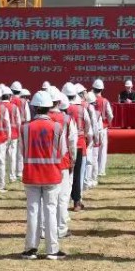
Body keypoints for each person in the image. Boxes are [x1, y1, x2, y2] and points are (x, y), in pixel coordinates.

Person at [20, 90, 68, 260]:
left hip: (31, 174)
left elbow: (22, 151)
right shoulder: (57, 127)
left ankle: (30, 248)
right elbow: (62, 151)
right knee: (51, 211)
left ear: (34, 107)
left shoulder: (25, 127)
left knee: (33, 211)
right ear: (49, 107)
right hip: (52, 175)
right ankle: (52, 250)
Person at [48, 91, 77, 237]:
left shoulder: (39, 120)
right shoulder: (66, 119)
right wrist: (73, 159)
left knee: (45, 199)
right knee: (62, 197)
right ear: (59, 103)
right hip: (63, 162)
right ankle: (61, 229)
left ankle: (44, 229)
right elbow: (72, 142)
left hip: (46, 163)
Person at [64, 82, 92, 212]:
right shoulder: (81, 109)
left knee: (65, 173)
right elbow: (88, 127)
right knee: (77, 174)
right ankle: (76, 202)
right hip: (79, 144)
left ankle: (64, 201)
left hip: (63, 146)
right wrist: (88, 140)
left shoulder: (61, 110)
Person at [92, 79, 113, 177]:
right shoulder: (105, 101)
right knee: (102, 150)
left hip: (91, 128)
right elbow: (110, 115)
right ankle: (101, 171)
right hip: (102, 128)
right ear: (102, 89)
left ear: (93, 88)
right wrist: (107, 123)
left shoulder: (89, 100)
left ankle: (92, 170)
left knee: (93, 150)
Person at [10, 81, 31, 181]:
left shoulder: (9, 101)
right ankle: (19, 172)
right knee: (21, 152)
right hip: (22, 128)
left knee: (12, 153)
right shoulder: (24, 102)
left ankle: (12, 174)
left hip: (11, 130)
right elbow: (28, 117)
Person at [2, 85, 22, 184]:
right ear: (10, 96)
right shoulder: (14, 107)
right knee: (12, 156)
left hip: (1, 135)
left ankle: (0, 177)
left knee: (0, 158)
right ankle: (12, 176)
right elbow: (18, 122)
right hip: (13, 134)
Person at [84, 91, 102, 190]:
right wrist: (96, 138)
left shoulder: (81, 107)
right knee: (91, 159)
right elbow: (94, 124)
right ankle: (90, 180)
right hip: (89, 135)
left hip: (83, 135)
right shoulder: (91, 109)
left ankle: (87, 180)